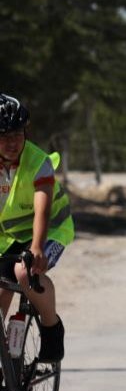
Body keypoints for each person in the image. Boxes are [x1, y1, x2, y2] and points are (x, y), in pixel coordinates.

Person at [0, 94, 72, 363]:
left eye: (17, 133)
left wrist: (37, 248)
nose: (12, 142)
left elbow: (42, 209)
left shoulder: (38, 161)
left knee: (24, 271)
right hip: (7, 237)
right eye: (4, 135)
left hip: (50, 229)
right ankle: (5, 364)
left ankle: (52, 327)